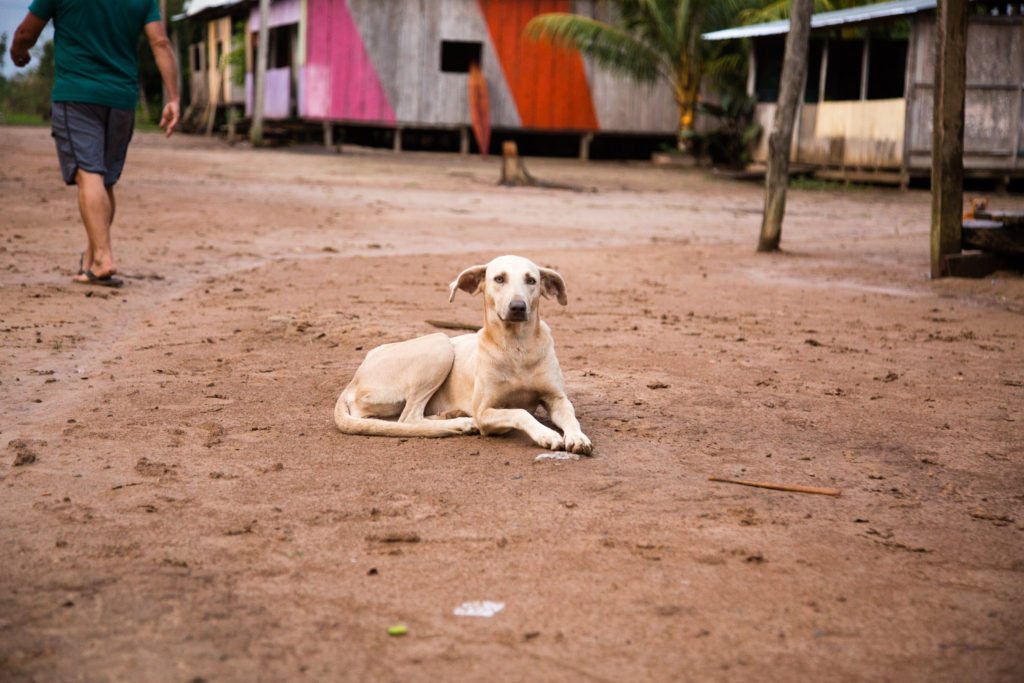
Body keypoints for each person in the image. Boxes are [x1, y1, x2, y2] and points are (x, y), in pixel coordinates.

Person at [10, 0, 180, 288]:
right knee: (105, 180)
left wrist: (18, 52)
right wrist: (173, 98)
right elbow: (160, 42)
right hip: (121, 99)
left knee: (89, 173)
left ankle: (103, 258)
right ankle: (91, 260)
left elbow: (26, 33)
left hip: (77, 95)